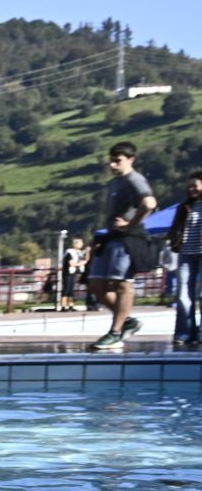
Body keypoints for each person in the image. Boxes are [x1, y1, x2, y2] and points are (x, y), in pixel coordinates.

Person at [86, 142, 157, 351]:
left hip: (128, 238)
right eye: (111, 160)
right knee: (95, 284)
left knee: (122, 284)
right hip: (111, 237)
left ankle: (115, 333)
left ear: (131, 160)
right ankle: (127, 321)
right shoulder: (116, 182)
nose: (112, 164)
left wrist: (130, 224)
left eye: (117, 161)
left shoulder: (135, 179)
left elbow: (149, 203)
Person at [169, 171, 202, 350]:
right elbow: (175, 228)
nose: (191, 189)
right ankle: (184, 333)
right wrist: (174, 240)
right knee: (183, 293)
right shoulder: (184, 207)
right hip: (186, 253)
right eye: (189, 186)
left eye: (195, 185)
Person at [60, 236, 87, 310]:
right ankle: (63, 305)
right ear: (76, 244)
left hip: (74, 272)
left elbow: (83, 259)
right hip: (68, 273)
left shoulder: (79, 253)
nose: (82, 244)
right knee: (66, 288)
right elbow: (71, 263)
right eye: (80, 243)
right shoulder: (69, 252)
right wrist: (80, 264)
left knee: (72, 289)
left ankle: (71, 305)